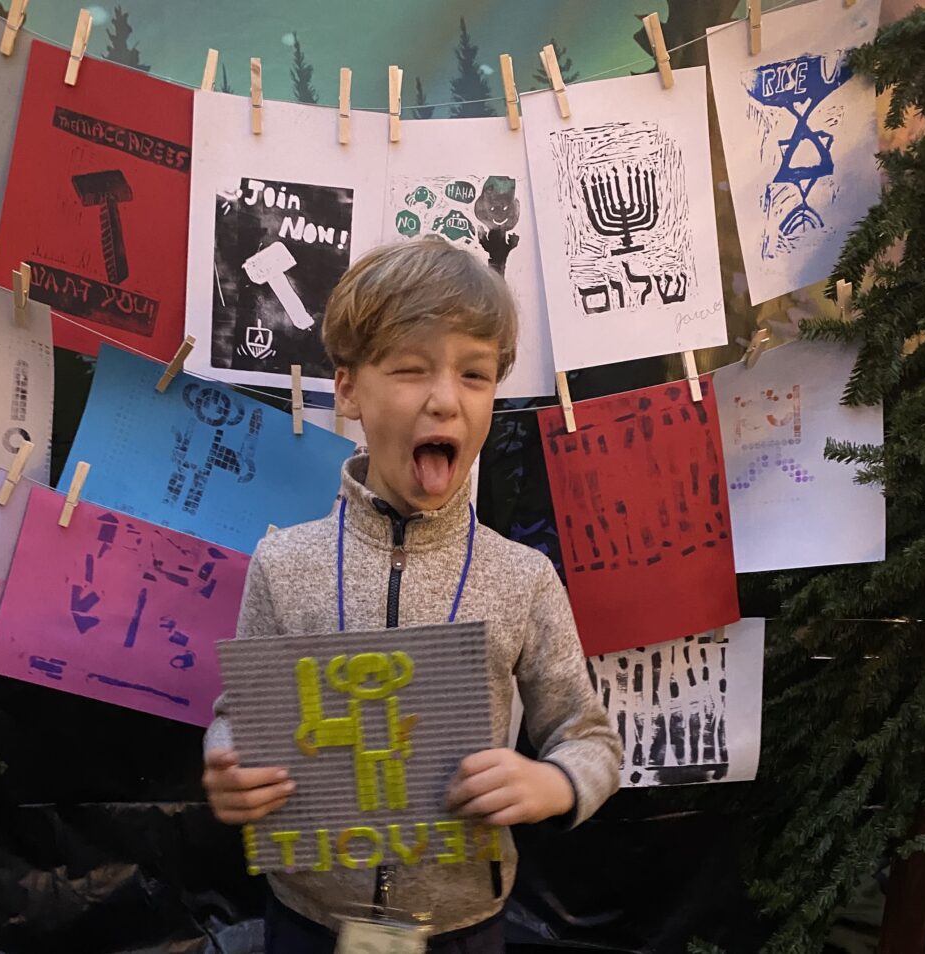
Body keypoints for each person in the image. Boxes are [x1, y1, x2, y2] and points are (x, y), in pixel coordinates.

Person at [202, 237, 622, 953]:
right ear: (348, 390)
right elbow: (236, 719)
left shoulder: (523, 578)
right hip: (306, 921)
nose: (444, 400)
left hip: (464, 928)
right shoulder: (283, 563)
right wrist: (227, 762)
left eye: (475, 375)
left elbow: (590, 741)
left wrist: (551, 784)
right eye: (409, 369)